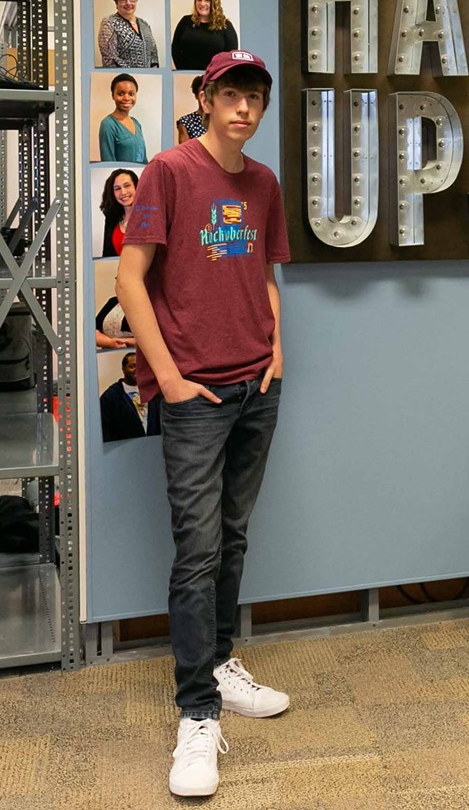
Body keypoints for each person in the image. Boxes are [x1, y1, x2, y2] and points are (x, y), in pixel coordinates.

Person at [116, 50, 290, 798]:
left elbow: (265, 276)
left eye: (255, 97)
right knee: (197, 550)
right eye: (231, 95)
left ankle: (220, 662)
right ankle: (196, 713)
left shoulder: (263, 184)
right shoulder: (168, 171)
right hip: (197, 398)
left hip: (258, 387)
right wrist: (172, 380)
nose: (244, 109)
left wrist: (277, 354)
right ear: (206, 97)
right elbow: (129, 275)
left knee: (235, 535)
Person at [171, 0, 238, 71]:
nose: (202, 4)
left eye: (207, 0)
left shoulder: (226, 26)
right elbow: (175, 49)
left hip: (215, 79)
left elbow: (231, 58)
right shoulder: (185, 21)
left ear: (214, 2)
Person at [100, 352, 162, 442]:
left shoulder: (154, 392)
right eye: (132, 366)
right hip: (123, 451)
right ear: (123, 369)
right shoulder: (111, 396)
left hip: (152, 448)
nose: (137, 370)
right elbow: (105, 430)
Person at [98, 0, 159, 68]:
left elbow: (153, 53)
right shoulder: (109, 22)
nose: (128, 3)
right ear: (116, 3)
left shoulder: (144, 24)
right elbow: (111, 58)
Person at [99, 74, 147, 164]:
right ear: (113, 95)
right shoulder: (108, 124)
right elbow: (108, 161)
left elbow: (144, 158)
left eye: (131, 94)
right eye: (120, 94)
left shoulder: (136, 123)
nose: (126, 98)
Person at [99, 168, 139, 257]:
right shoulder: (111, 218)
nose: (123, 192)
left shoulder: (150, 216)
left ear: (137, 187)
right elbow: (107, 255)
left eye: (127, 186)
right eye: (117, 189)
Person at [176, 75, 207, 144]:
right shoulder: (186, 122)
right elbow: (184, 152)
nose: (206, 98)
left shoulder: (220, 118)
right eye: (202, 94)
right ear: (196, 96)